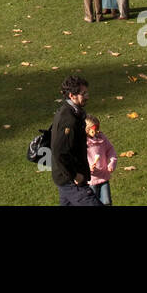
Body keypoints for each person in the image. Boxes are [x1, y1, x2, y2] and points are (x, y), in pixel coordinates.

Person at [50, 75, 99, 205]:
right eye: (84, 93)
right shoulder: (69, 120)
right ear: (72, 96)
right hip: (71, 181)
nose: (87, 96)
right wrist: (74, 175)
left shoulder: (71, 111)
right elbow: (59, 152)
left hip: (66, 179)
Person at [85, 115, 117, 205]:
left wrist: (112, 163)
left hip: (104, 177)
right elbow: (79, 160)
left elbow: (111, 150)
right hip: (91, 180)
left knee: (107, 202)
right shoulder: (83, 143)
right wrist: (88, 169)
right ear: (87, 129)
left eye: (98, 129)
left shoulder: (102, 137)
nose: (97, 132)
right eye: (94, 130)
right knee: (93, 203)